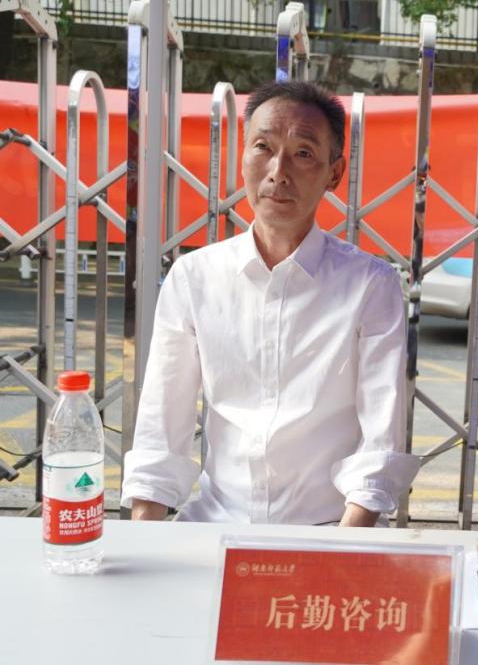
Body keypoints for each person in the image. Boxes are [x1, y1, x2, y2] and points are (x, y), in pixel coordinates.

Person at [121, 81, 419, 526]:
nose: (278, 172)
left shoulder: (370, 285)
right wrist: (145, 543)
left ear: (334, 173)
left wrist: (341, 549)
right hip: (215, 523)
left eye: (303, 153)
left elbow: (380, 440)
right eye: (263, 147)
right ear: (242, 156)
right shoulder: (194, 277)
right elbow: (161, 426)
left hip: (328, 529)